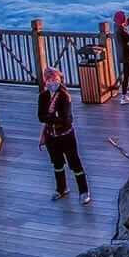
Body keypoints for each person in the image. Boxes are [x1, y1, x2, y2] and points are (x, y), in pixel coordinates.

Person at [38, 67, 91, 204]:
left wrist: (50, 118)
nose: (52, 82)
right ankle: (61, 188)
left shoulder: (64, 96)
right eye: (49, 80)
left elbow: (66, 119)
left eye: (55, 79)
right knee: (57, 163)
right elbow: (40, 117)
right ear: (45, 81)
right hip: (51, 136)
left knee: (75, 163)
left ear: (60, 79)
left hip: (66, 135)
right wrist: (53, 117)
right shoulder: (43, 96)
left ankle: (84, 191)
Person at [114, 10, 129, 104]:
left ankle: (124, 96)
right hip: (127, 56)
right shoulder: (121, 30)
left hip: (125, 55)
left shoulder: (117, 26)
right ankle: (124, 97)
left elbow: (126, 22)